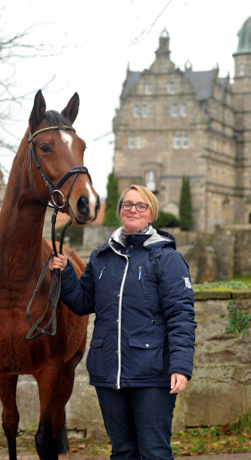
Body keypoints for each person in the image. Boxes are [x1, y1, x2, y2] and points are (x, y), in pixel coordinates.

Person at [49, 184, 196, 460]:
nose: (133, 210)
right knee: (122, 452)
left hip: (153, 372)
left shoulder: (167, 259)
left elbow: (181, 317)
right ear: (119, 211)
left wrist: (180, 366)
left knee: (154, 452)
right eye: (127, 204)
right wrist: (67, 272)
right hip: (108, 371)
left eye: (141, 205)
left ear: (151, 214)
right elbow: (83, 303)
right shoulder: (101, 257)